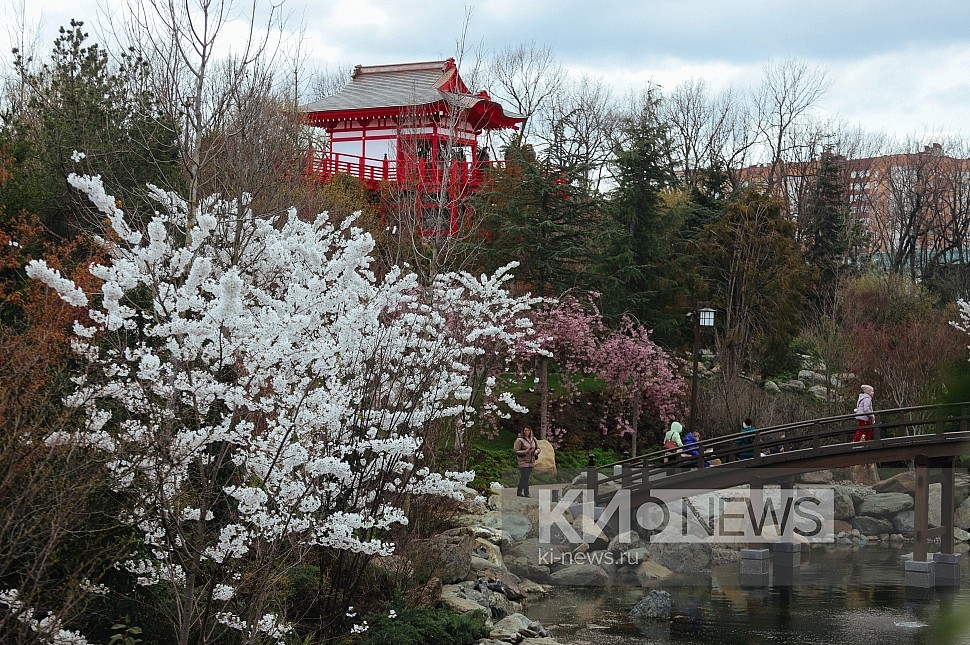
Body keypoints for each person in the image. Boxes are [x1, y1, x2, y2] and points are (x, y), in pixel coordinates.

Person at [514, 426, 540, 497]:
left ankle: (519, 491)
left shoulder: (533, 439)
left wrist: (536, 451)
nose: (527, 432)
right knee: (525, 476)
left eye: (528, 430)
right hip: (523, 461)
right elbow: (516, 451)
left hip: (531, 460)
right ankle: (526, 492)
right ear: (523, 431)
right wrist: (525, 451)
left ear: (530, 431)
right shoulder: (519, 440)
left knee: (525, 477)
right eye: (525, 430)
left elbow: (538, 448)